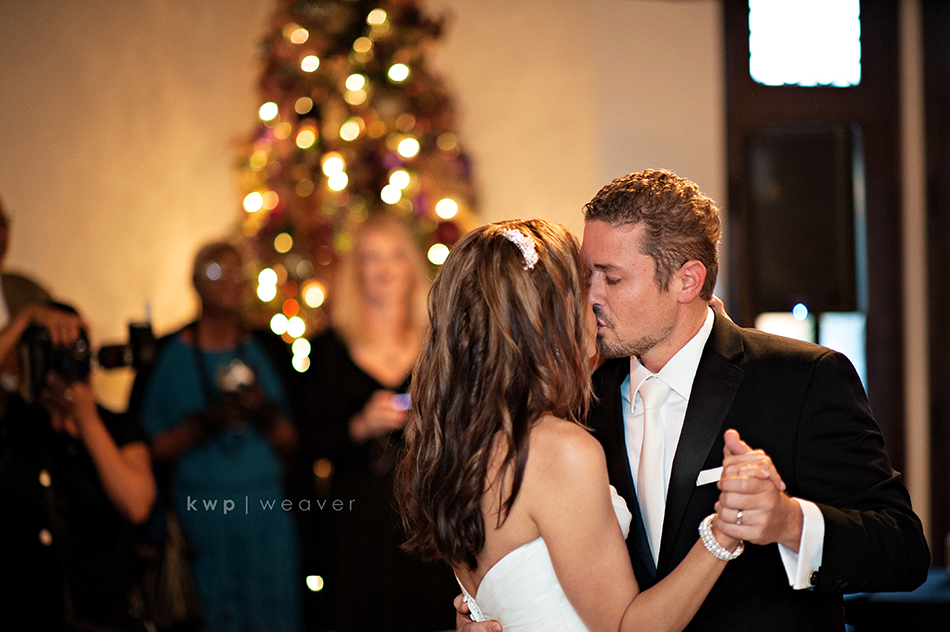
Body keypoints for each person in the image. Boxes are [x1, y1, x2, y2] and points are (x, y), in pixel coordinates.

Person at [471, 169, 931, 631]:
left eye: (611, 278)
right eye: (586, 276)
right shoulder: (575, 397)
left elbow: (904, 550)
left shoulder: (802, 378)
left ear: (687, 281)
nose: (590, 297)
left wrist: (790, 522)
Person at [397, 219, 779, 631]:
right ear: (549, 317)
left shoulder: (453, 442)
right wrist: (723, 533)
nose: (596, 300)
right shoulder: (558, 451)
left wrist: (693, 327)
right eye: (583, 286)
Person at [297, 213, 458, 631]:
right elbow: (308, 440)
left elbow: (466, 425)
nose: (385, 269)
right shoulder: (328, 348)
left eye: (395, 256)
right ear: (356, 272)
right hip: (356, 517)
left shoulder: (440, 343)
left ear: (411, 267)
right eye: (372, 258)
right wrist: (361, 425)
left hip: (426, 509)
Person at [137, 241, 301, 632]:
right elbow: (150, 448)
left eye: (236, 271)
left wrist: (260, 410)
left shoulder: (266, 349)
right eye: (215, 271)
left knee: (274, 611)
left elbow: (293, 441)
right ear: (194, 283)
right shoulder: (171, 356)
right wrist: (203, 424)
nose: (228, 280)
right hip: (203, 515)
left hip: (265, 514)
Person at [0, 299, 157, 631]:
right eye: (51, 350)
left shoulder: (117, 427)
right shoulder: (15, 424)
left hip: (104, 615)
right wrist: (27, 317)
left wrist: (87, 420)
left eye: (74, 348)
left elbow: (136, 505)